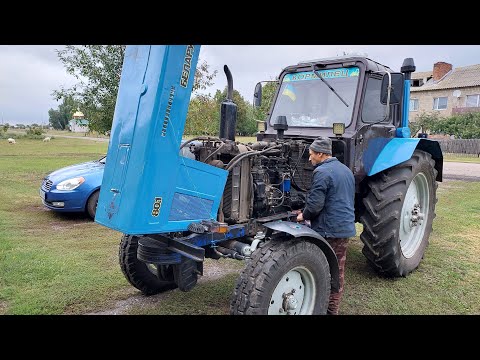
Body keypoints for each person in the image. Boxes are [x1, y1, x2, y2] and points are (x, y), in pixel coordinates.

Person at [296, 136, 356, 315]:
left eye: (311, 154)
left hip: (329, 229)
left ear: (321, 154)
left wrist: (303, 215)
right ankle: (331, 309)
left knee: (324, 269)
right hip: (344, 227)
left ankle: (328, 310)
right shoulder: (346, 170)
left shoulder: (322, 172)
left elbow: (315, 205)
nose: (309, 158)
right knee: (338, 270)